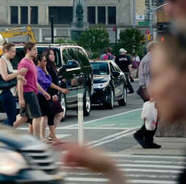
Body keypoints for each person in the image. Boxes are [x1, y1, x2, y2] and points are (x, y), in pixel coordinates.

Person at [56, 26, 186, 183]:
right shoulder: (147, 60)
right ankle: (144, 137)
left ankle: (143, 136)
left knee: (152, 117)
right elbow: (145, 77)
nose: (159, 88)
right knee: (152, 117)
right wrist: (110, 170)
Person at [13, 42, 51, 139]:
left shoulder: (31, 63)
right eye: (34, 50)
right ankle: (37, 140)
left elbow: (34, 82)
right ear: (28, 50)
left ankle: (5, 129)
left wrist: (44, 92)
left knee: (24, 117)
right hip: (28, 92)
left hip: (32, 91)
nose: (36, 52)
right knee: (37, 117)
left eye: (36, 50)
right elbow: (20, 80)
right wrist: (21, 98)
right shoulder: (24, 63)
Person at [133, 41, 160, 148]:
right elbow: (149, 78)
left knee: (153, 116)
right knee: (154, 116)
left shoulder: (150, 59)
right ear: (152, 49)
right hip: (148, 91)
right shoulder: (149, 60)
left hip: (148, 90)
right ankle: (141, 135)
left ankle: (148, 139)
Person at [36, 53, 69, 142]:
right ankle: (43, 136)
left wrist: (46, 70)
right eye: (44, 61)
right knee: (45, 115)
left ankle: (51, 135)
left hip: (45, 94)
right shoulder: (38, 70)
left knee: (49, 115)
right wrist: (60, 89)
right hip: (40, 95)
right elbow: (48, 83)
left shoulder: (44, 69)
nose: (46, 62)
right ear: (39, 61)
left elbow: (49, 79)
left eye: (46, 61)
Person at [0, 42, 27, 126]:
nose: (14, 54)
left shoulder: (8, 61)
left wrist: (19, 77)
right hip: (4, 91)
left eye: (14, 52)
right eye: (12, 51)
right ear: (6, 50)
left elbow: (10, 75)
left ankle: (1, 133)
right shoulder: (2, 61)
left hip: (9, 91)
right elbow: (5, 77)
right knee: (11, 117)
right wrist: (19, 73)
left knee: (12, 117)